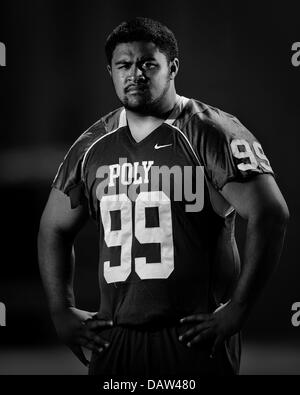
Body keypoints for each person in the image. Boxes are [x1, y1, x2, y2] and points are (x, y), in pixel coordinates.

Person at [38, 17, 289, 376]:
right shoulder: (92, 145)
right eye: (124, 65)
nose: (135, 74)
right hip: (116, 336)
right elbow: (53, 228)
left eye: (147, 64)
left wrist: (238, 308)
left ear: (171, 68)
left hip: (192, 335)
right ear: (110, 70)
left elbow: (271, 214)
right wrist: (60, 309)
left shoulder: (210, 131)